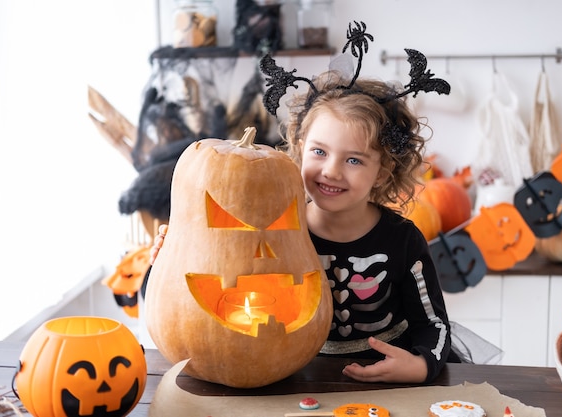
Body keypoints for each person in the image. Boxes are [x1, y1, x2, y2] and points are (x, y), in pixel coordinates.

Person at [150, 21, 458, 384]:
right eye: (319, 152)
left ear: (382, 170)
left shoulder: (403, 240)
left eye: (354, 159)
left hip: (390, 374)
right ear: (298, 149)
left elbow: (434, 323)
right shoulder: (280, 225)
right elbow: (209, 283)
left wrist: (421, 364)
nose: (331, 171)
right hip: (300, 374)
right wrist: (170, 256)